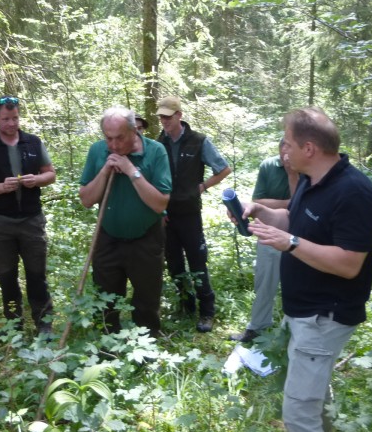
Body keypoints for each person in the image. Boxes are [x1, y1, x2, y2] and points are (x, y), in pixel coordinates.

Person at [236, 107, 372, 432]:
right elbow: (293, 223)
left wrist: (291, 243)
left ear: (310, 148)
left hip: (325, 315)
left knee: (298, 411)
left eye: (288, 142)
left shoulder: (355, 192)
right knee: (313, 400)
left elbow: (350, 263)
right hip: (304, 311)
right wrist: (261, 212)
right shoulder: (310, 181)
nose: (283, 149)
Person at [79, 107, 171, 337]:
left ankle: (147, 341)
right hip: (108, 236)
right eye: (108, 138)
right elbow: (87, 200)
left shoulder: (156, 151)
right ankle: (108, 342)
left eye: (119, 137)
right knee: (105, 294)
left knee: (147, 295)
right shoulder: (98, 151)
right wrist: (105, 171)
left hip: (146, 237)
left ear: (134, 131)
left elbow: (161, 204)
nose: (113, 145)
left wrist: (132, 171)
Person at [0, 96, 57, 334]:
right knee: (6, 275)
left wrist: (36, 179)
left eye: (15, 118)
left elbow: (50, 174)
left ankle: (44, 324)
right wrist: (0, 187)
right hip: (0, 222)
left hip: (31, 220)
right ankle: (13, 325)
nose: (11, 123)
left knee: (37, 274)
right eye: (6, 119)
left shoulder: (33, 142)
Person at [157, 96, 231, 333]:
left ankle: (207, 312)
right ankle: (185, 307)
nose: (164, 121)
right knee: (175, 263)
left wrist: (202, 186)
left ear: (179, 115)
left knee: (198, 261)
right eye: (161, 117)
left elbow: (223, 168)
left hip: (190, 213)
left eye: (168, 116)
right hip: (167, 214)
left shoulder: (198, 141)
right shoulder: (159, 143)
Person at [230, 138, 298, 343]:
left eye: (290, 146)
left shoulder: (306, 168)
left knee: (295, 284)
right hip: (269, 232)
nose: (286, 152)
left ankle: (291, 333)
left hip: (300, 237)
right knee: (264, 282)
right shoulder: (268, 166)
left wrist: (292, 173)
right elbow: (258, 201)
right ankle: (258, 327)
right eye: (282, 146)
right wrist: (289, 204)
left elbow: (301, 205)